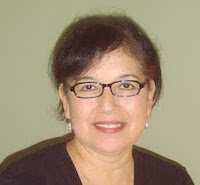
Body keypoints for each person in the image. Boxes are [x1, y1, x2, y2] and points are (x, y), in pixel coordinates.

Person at [0, 13, 194, 185]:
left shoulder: (174, 179)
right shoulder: (23, 179)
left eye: (126, 85)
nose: (108, 105)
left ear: (149, 95)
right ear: (66, 100)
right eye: (89, 87)